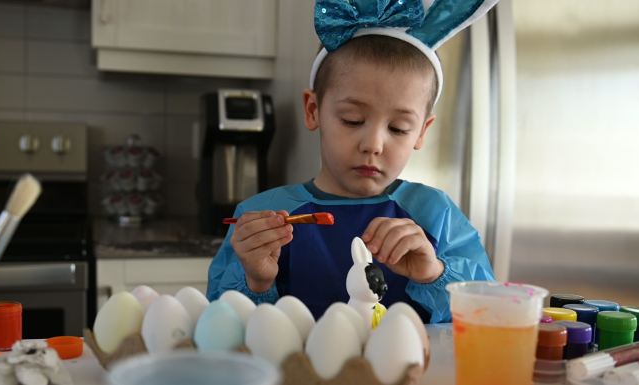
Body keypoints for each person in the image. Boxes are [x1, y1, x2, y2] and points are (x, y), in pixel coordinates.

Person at [207, 0, 498, 323]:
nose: (373, 145)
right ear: (313, 110)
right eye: (352, 119)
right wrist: (256, 281)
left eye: (398, 128)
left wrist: (433, 272)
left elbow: (488, 310)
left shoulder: (435, 213)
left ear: (421, 132)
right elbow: (221, 327)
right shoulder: (260, 216)